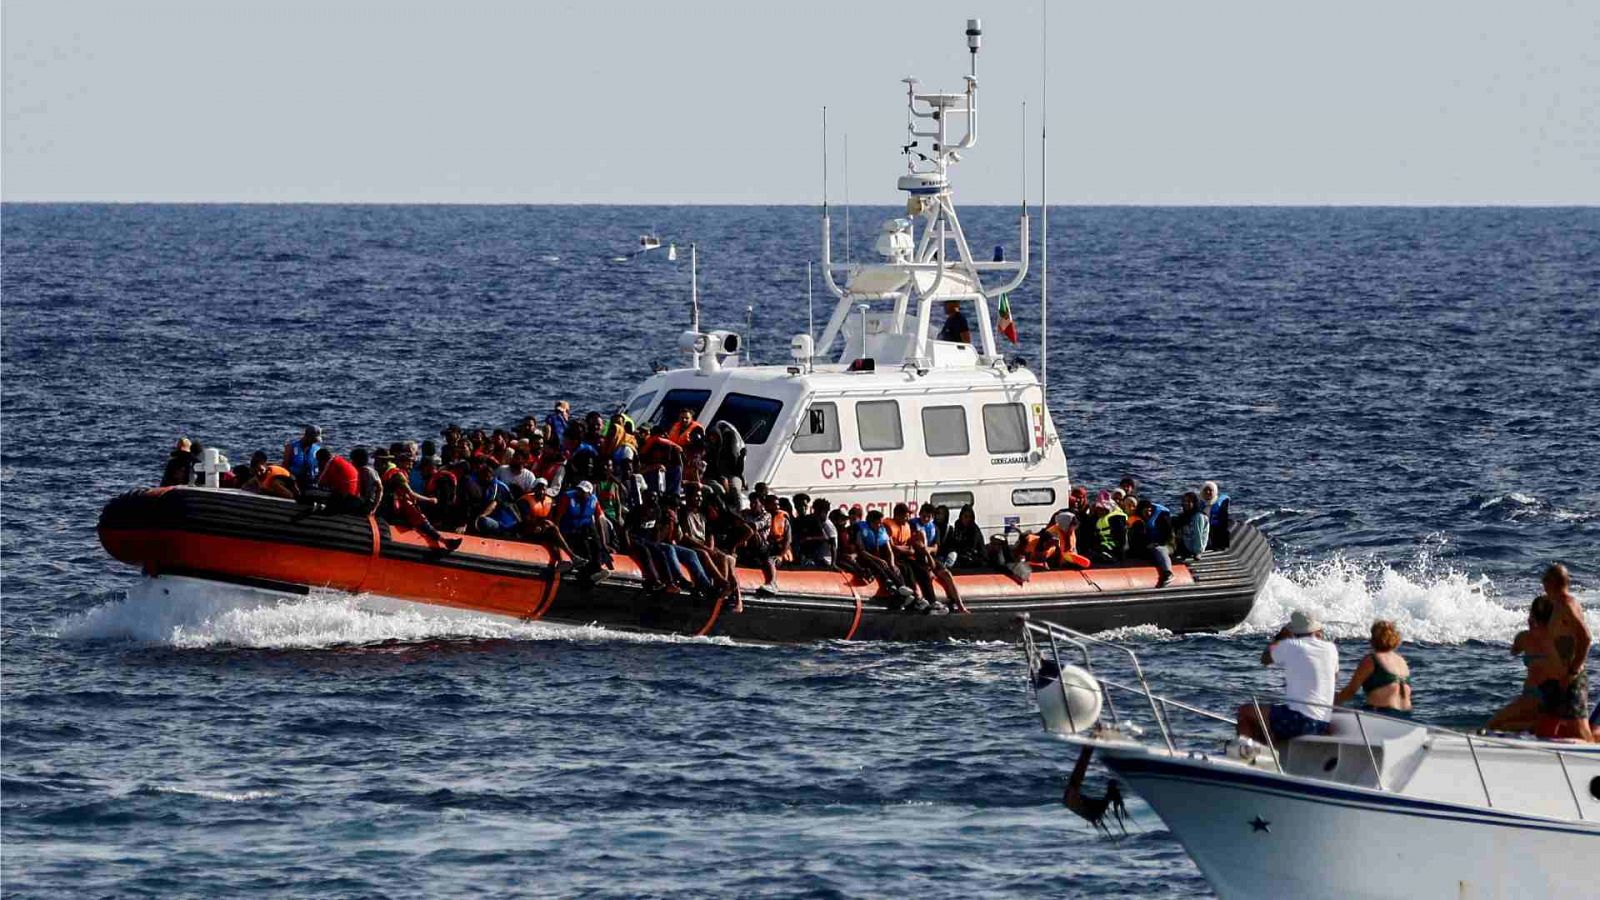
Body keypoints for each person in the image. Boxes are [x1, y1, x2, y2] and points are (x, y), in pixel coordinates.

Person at [1237, 610, 1338, 745]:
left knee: (1245, 711)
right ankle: (1269, 749)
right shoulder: (1331, 648)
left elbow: (1265, 659)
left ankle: (1246, 754)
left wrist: (1280, 637)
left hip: (1301, 722)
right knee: (1273, 716)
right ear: (1316, 629)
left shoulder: (1291, 646)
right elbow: (1334, 677)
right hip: (1323, 723)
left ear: (1292, 630)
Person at [1534, 563, 1592, 741]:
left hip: (1569, 677)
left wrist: (1573, 671)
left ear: (1554, 582)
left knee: (1579, 728)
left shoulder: (1566, 604)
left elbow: (1586, 638)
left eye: (1545, 579)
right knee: (1545, 727)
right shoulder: (1558, 604)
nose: (1542, 583)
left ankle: (1592, 758)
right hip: (1557, 678)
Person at [1485, 595, 1558, 733]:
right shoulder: (1558, 639)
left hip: (1531, 696)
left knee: (1494, 725)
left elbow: (1514, 651)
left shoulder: (1524, 638)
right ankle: (1535, 727)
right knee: (1512, 725)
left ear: (1532, 615)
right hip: (1553, 700)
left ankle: (1534, 727)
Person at [382, 451, 459, 550]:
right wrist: (430, 500)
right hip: (397, 504)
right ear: (400, 463)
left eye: (411, 462)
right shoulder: (398, 476)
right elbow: (411, 493)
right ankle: (444, 541)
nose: (411, 465)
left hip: (399, 502)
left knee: (417, 512)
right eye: (408, 462)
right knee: (420, 518)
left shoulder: (398, 474)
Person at [1335, 620, 1413, 712]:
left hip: (1382, 714)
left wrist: (1332, 701)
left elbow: (1350, 691)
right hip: (1406, 716)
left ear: (1374, 639)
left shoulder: (1372, 660)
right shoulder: (1402, 661)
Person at [557, 481, 609, 577]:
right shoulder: (568, 498)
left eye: (583, 491)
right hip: (570, 528)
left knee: (596, 544)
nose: (579, 493)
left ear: (589, 493)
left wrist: (603, 542)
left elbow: (599, 521)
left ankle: (597, 568)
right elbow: (558, 518)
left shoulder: (594, 500)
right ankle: (585, 572)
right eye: (579, 490)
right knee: (584, 546)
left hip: (585, 528)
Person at [471, 462, 521, 536]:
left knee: (482, 521)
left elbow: (493, 504)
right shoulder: (487, 485)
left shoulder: (497, 486)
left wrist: (481, 516)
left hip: (504, 522)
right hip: (495, 516)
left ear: (487, 476)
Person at [1134, 499, 1176, 587]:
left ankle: (1168, 572)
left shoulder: (1162, 517)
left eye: (1150, 511)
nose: (1148, 513)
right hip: (1150, 545)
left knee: (1160, 550)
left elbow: (1169, 536)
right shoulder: (1138, 520)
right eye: (1145, 511)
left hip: (1167, 544)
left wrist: (1158, 543)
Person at [314, 448, 365, 515]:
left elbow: (320, 483)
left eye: (318, 460)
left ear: (322, 459)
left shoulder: (329, 463)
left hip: (345, 497)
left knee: (310, 493)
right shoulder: (340, 460)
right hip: (355, 496)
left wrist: (319, 471)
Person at [943, 504, 986, 568]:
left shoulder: (974, 530)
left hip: (975, 556)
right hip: (961, 555)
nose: (968, 519)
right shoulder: (958, 526)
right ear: (961, 516)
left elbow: (972, 547)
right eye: (965, 516)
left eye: (970, 517)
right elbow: (954, 542)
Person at [282, 426, 323, 491]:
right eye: (313, 439)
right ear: (307, 436)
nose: (314, 442)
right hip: (295, 481)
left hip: (312, 481)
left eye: (316, 440)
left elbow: (321, 468)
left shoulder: (317, 449)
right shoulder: (291, 447)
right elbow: (285, 466)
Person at [1174, 491, 1210, 560]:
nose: (1185, 503)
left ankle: (1196, 552)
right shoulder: (1185, 515)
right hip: (1187, 544)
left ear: (1194, 503)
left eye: (1188, 501)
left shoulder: (1198, 516)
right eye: (1184, 501)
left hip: (1197, 546)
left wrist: (1197, 552)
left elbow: (1198, 535)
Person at [350, 446, 383, 514]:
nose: (351, 462)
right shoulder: (355, 470)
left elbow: (380, 488)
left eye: (353, 460)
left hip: (369, 502)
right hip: (360, 499)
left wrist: (375, 507)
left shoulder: (369, 472)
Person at [1201, 480, 1231, 551]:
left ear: (1214, 491)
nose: (1208, 492)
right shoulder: (1200, 504)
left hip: (1216, 532)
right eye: (1205, 490)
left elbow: (1224, 524)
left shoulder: (1220, 504)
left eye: (1210, 490)